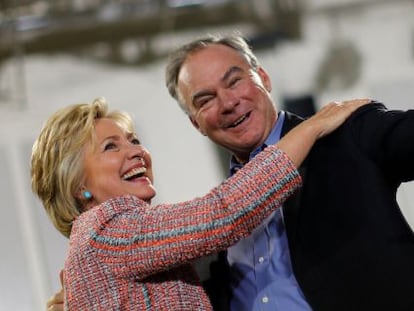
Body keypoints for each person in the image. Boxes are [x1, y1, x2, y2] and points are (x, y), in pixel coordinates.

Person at [33, 97, 366, 310]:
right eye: (110, 147)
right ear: (77, 184)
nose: (137, 151)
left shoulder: (109, 241)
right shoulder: (106, 228)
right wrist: (312, 127)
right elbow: (223, 214)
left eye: (134, 140)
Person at [164, 34, 414, 311]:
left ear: (264, 78)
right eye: (206, 100)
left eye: (234, 81)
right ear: (195, 123)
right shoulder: (218, 222)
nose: (227, 103)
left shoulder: (345, 137)